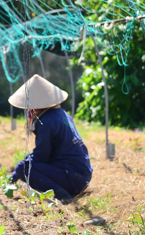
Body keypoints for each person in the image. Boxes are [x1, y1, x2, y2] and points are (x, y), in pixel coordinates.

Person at [8, 74, 92, 202]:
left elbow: (42, 156)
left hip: (72, 177)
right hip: (82, 175)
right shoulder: (60, 113)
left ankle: (62, 195)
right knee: (26, 163)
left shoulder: (46, 121)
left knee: (23, 168)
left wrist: (19, 171)